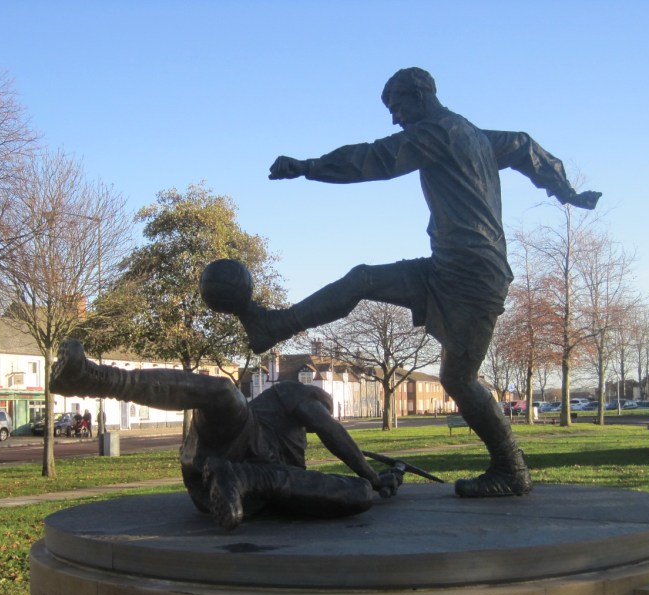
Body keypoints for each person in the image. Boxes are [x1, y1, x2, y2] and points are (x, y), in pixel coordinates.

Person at [232, 67, 601, 499]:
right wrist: (565, 189)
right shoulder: (474, 135)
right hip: (447, 267)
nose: (395, 118)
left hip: (472, 275)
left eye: (398, 107)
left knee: (459, 380)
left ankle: (511, 470)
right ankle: (273, 326)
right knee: (363, 279)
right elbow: (523, 145)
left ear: (422, 95)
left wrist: (308, 166)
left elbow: (375, 158)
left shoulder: (439, 132)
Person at [49, 339, 401, 530]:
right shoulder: (288, 394)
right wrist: (370, 472)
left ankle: (240, 478)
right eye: (320, 408)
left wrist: (374, 482)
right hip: (237, 442)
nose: (320, 416)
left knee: (359, 494)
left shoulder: (295, 447)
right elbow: (331, 431)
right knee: (222, 391)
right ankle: (95, 378)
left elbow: (314, 463)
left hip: (227, 485)